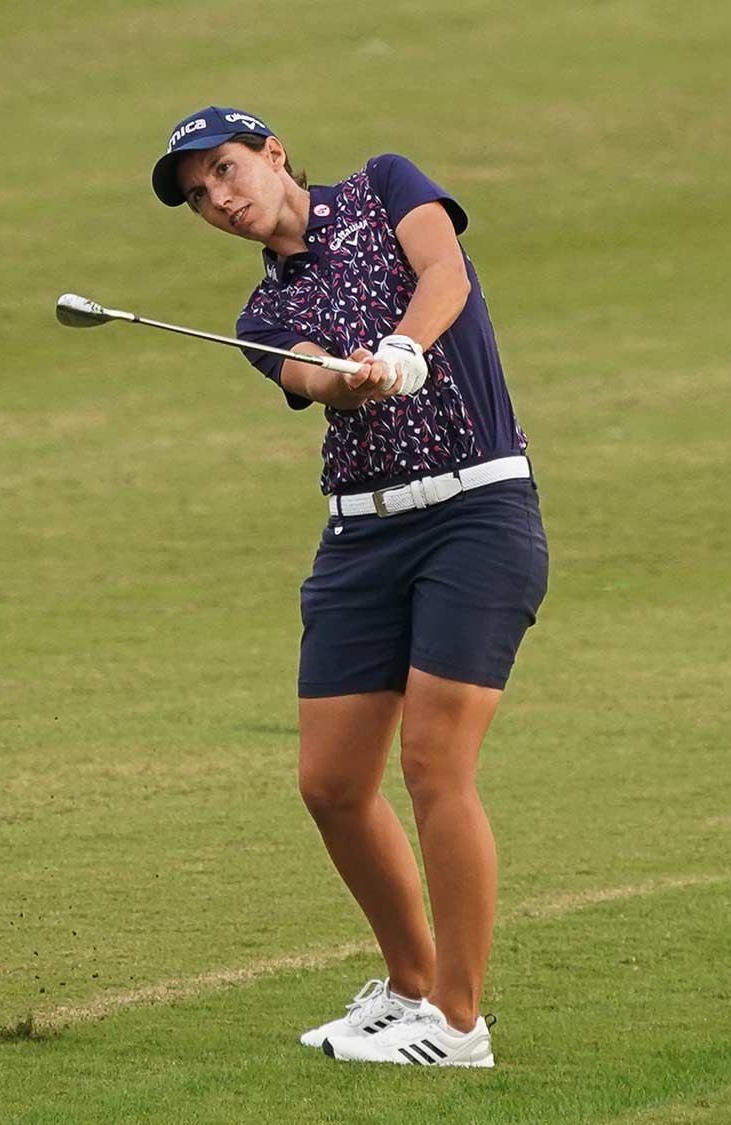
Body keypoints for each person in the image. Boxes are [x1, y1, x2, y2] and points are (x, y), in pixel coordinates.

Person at [151, 107, 550, 1067]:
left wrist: (407, 344)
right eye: (201, 195)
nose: (221, 199)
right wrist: (353, 377)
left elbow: (446, 271)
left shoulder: (385, 185)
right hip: (361, 537)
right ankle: (409, 987)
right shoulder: (264, 315)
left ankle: (457, 1024)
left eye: (229, 170)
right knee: (331, 783)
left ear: (275, 153)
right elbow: (315, 382)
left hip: (476, 515)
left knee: (433, 766)